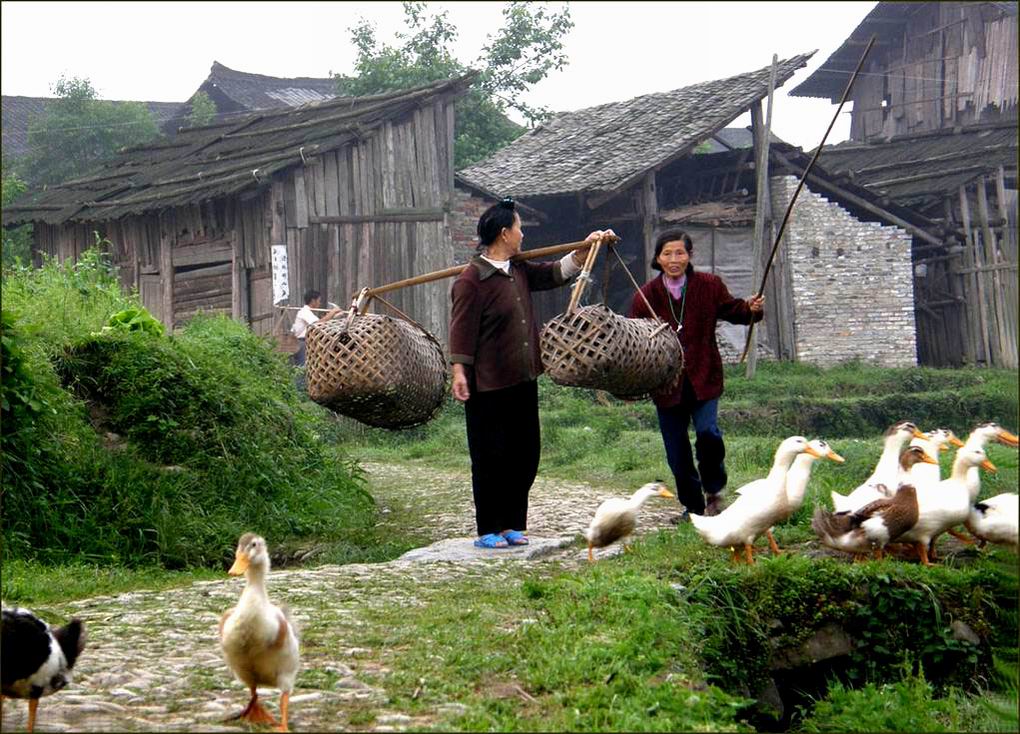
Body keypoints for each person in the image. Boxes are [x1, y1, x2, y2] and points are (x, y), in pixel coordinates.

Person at [449, 196, 613, 549]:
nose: (523, 234)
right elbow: (461, 328)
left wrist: (586, 250)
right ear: (505, 233)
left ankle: (511, 523)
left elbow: (554, 273)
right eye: (520, 228)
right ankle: (488, 529)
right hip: (487, 384)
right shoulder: (472, 279)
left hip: (523, 378)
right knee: (490, 456)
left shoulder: (519, 270)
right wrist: (459, 371)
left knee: (524, 454)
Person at [628, 229, 764, 521]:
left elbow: (734, 310)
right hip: (666, 386)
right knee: (677, 453)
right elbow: (634, 338)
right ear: (658, 258)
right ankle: (693, 507)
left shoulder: (709, 286)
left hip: (704, 376)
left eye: (680, 253)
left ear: (689, 256)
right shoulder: (646, 296)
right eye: (667, 253)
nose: (674, 259)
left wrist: (750, 309)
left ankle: (714, 493)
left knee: (708, 434)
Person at [291, 289, 341, 367]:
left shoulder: (308, 313)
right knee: (302, 368)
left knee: (305, 368)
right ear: (313, 301)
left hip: (305, 343)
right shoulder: (304, 311)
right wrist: (332, 312)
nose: (319, 303)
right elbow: (318, 324)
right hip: (301, 343)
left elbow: (321, 322)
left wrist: (332, 315)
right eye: (318, 300)